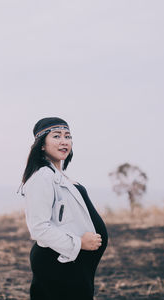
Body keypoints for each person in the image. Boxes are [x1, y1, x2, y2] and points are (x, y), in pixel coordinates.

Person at [21, 117, 108, 300]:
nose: (64, 141)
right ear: (42, 145)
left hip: (72, 263)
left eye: (68, 136)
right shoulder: (42, 177)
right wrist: (79, 243)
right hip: (57, 263)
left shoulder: (58, 175)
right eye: (56, 136)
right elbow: (39, 228)